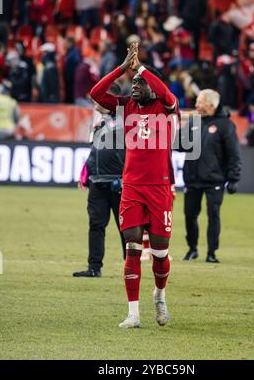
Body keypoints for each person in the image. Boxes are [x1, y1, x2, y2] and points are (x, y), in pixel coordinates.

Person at [90, 43, 178, 329]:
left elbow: (164, 91)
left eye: (140, 82)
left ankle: (160, 294)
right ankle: (133, 313)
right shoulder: (126, 107)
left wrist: (141, 67)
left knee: (161, 253)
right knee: (132, 247)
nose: (135, 86)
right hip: (132, 186)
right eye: (133, 82)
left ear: (151, 84)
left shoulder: (165, 107)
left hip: (159, 187)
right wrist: (123, 68)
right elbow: (96, 94)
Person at [182, 89, 241, 262]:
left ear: (212, 105)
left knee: (213, 216)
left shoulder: (226, 125)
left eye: (200, 102)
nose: (196, 105)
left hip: (214, 180)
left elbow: (234, 154)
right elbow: (180, 143)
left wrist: (233, 179)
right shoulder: (193, 121)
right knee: (189, 215)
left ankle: (211, 253)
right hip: (192, 178)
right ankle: (192, 249)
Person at [73, 104, 126, 278]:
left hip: (119, 182)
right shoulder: (99, 122)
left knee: (126, 228)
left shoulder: (126, 121)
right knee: (96, 225)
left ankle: (131, 267)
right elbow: (95, 151)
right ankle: (94, 267)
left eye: (99, 100)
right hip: (97, 182)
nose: (95, 104)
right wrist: (86, 171)